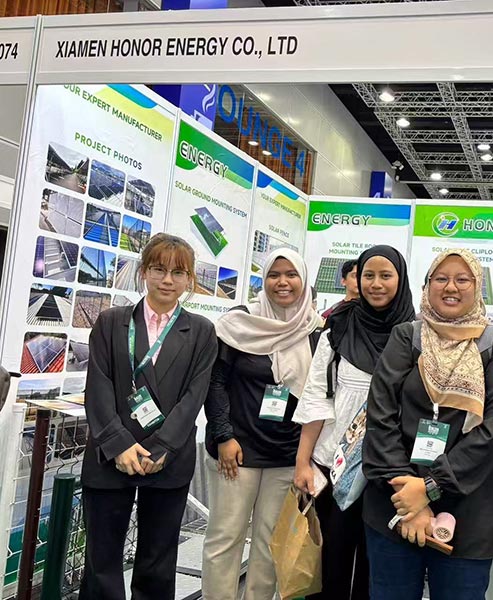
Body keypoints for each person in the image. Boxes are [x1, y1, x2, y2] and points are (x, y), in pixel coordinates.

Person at [362, 249, 493, 600]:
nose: (451, 287)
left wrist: (429, 487)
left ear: (477, 287)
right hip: (396, 502)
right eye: (441, 278)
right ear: (427, 285)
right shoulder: (407, 337)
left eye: (463, 279)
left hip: (468, 509)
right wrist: (409, 496)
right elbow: (381, 414)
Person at [80, 233, 217, 600]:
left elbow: (194, 396)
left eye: (178, 272)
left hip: (167, 458)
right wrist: (119, 445)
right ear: (143, 271)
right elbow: (98, 387)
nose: (167, 280)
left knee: (158, 561)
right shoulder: (111, 322)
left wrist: (162, 447)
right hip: (111, 454)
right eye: (158, 269)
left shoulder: (201, 331)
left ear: (189, 279)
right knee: (101, 562)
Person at [294, 245, 416, 600]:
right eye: (368, 275)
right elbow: (316, 396)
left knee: (376, 567)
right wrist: (302, 461)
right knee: (330, 561)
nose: (376, 284)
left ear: (401, 280)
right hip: (335, 465)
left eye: (386, 276)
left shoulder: (416, 335)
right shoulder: (338, 327)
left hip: (389, 470)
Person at [202, 248, 324, 600]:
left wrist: (305, 458)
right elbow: (216, 383)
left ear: (304, 281)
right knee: (225, 538)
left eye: (291, 274)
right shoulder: (239, 323)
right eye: (274, 274)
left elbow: (318, 397)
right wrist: (223, 436)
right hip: (236, 451)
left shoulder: (315, 330)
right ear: (264, 280)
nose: (282, 282)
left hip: (287, 455)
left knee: (271, 544)